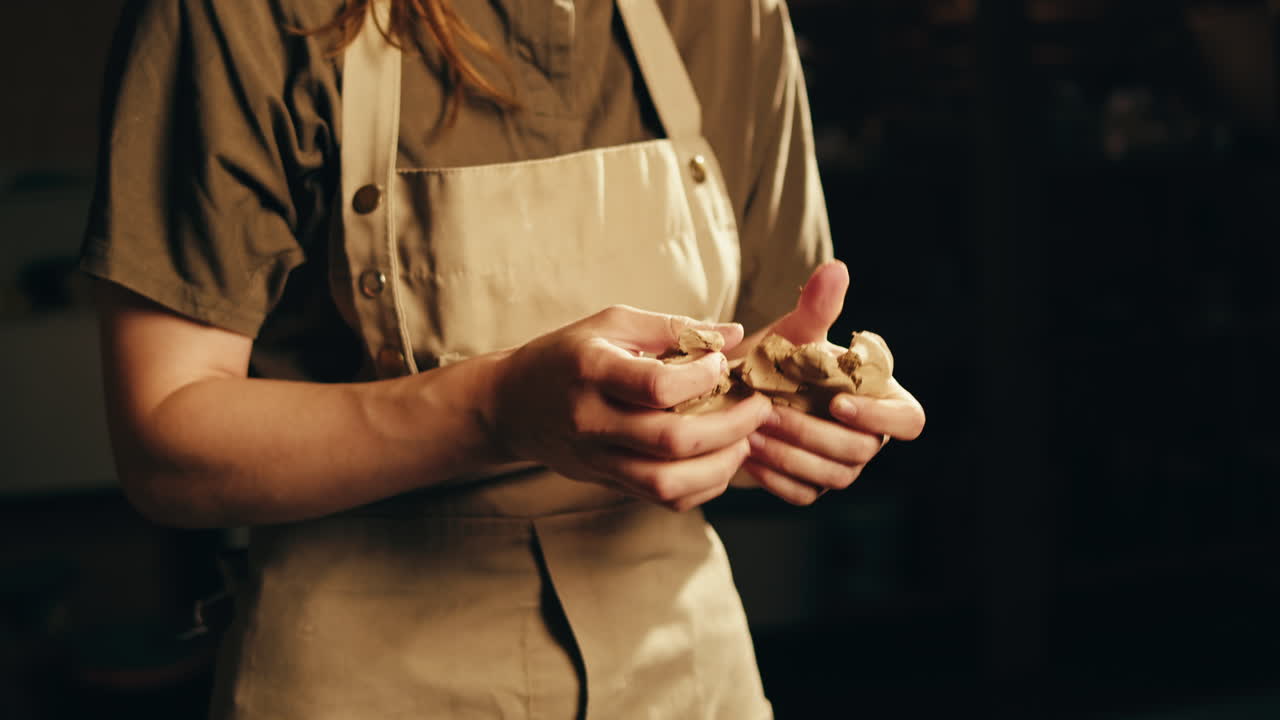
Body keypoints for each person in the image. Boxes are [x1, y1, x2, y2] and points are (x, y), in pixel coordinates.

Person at [83, 0, 925, 717]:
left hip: (686, 675)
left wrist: (806, 414)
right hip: (361, 676)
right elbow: (166, 444)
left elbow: (759, 361)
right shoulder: (241, 16)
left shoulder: (728, 12)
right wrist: (494, 410)